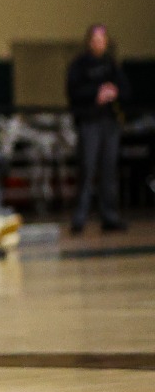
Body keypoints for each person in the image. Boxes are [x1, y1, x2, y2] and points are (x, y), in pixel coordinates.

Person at [67, 23, 129, 234]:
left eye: (103, 39)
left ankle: (109, 216)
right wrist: (97, 93)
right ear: (89, 42)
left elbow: (126, 89)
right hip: (89, 123)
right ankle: (80, 217)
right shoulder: (79, 65)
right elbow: (73, 92)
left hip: (109, 123)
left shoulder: (111, 64)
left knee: (109, 170)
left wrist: (114, 91)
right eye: (95, 39)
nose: (99, 43)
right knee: (87, 169)